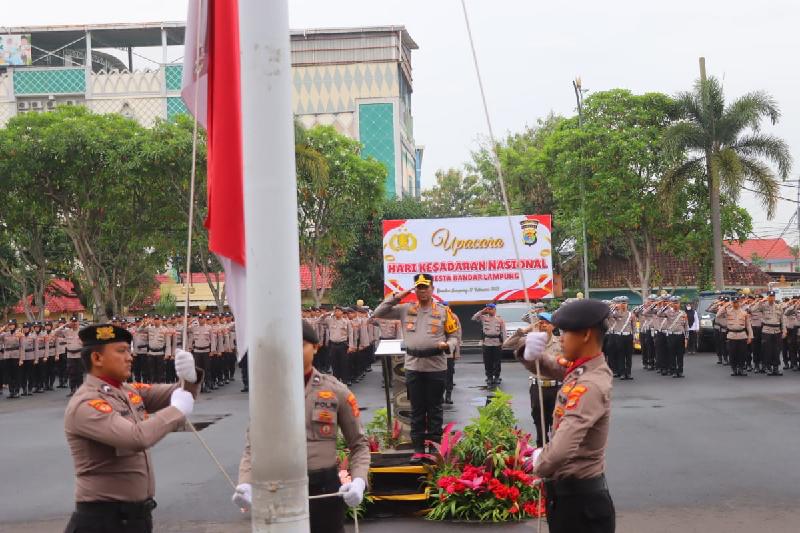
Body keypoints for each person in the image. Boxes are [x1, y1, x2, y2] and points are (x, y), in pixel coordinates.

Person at [63, 324, 202, 533]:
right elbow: (136, 438)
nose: (130, 357)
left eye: (129, 350)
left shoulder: (126, 390)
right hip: (103, 521)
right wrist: (176, 410)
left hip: (134, 518)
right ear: (97, 359)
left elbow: (175, 393)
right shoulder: (87, 403)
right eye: (121, 351)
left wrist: (190, 378)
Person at [233, 321, 370, 533]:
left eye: (302, 344)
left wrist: (359, 480)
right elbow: (254, 446)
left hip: (324, 489)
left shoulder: (336, 391)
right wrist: (245, 483)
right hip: (280, 488)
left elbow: (359, 444)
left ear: (315, 347)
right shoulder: (269, 393)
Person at [522, 298, 615, 533]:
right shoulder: (583, 368)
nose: (560, 338)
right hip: (570, 500)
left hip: (581, 507)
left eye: (565, 332)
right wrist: (530, 354)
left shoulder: (591, 384)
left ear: (585, 334)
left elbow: (562, 449)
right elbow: (554, 367)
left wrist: (538, 463)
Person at [373, 273, 458, 459]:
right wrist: (400, 295)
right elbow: (378, 313)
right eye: (418, 287)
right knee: (417, 409)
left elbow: (454, 336)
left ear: (432, 289)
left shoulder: (444, 312)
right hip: (413, 366)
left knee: (435, 408)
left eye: (425, 287)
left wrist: (449, 345)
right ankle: (418, 448)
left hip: (436, 366)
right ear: (415, 290)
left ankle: (435, 448)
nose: (422, 291)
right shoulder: (405, 309)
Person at [505, 312, 561, 448]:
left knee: (557, 420)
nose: (542, 325)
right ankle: (541, 448)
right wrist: (524, 331)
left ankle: (556, 450)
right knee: (539, 420)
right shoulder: (530, 341)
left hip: (556, 388)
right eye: (540, 322)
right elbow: (507, 344)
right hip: (538, 387)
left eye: (546, 323)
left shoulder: (560, 342)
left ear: (553, 326)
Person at [472, 303, 506, 386]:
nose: (489, 310)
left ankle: (497, 377)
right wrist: (482, 311)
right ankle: (489, 377)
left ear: (494, 309)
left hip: (497, 342)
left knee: (497, 361)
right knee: (488, 361)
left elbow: (503, 331)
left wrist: (504, 342)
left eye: (491, 308)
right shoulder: (484, 318)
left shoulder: (500, 319)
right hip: (487, 342)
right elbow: (474, 318)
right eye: (488, 308)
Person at [754, 291, 786, 376]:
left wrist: (784, 330)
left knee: (777, 350)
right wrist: (761, 301)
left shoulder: (779, 306)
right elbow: (753, 309)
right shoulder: (763, 305)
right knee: (767, 350)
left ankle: (776, 368)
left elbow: (782, 319)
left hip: (777, 330)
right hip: (767, 330)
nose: (772, 298)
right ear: (767, 297)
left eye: (773, 296)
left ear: (775, 297)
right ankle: (768, 367)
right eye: (770, 296)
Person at [720, 296, 752, 376]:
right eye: (734, 302)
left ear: (739, 303)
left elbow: (748, 325)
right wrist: (725, 305)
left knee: (742, 353)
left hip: (742, 335)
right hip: (731, 335)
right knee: (732, 353)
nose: (735, 304)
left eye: (736, 302)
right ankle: (734, 369)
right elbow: (718, 315)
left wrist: (750, 336)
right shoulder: (728, 311)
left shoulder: (744, 313)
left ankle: (741, 368)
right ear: (732, 303)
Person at [324, 307, 354, 385]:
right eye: (335, 311)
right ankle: (336, 381)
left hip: (343, 345)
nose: (337, 312)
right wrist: (327, 313)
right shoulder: (329, 320)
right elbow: (318, 321)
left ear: (342, 312)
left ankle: (345, 381)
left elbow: (350, 334)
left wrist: (351, 346)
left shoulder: (346, 322)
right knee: (334, 364)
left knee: (344, 364)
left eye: (338, 311)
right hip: (333, 345)